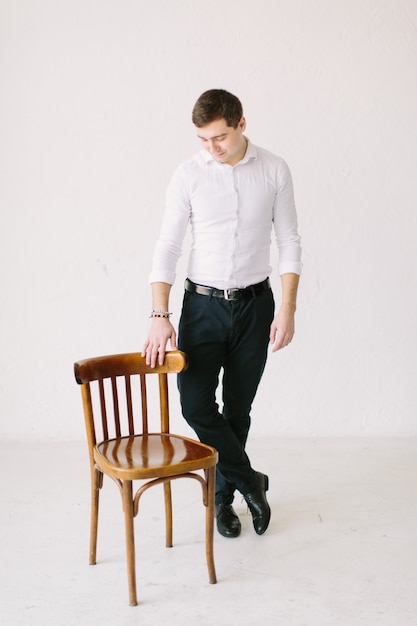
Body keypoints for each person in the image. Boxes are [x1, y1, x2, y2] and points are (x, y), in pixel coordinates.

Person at [142, 89, 302, 538]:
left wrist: (287, 308)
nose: (211, 148)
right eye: (202, 139)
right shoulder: (188, 175)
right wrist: (159, 313)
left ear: (241, 124)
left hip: (256, 307)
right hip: (202, 307)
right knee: (195, 404)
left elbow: (289, 242)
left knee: (238, 410)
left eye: (220, 137)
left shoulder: (274, 169)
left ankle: (221, 501)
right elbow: (168, 246)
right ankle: (251, 481)